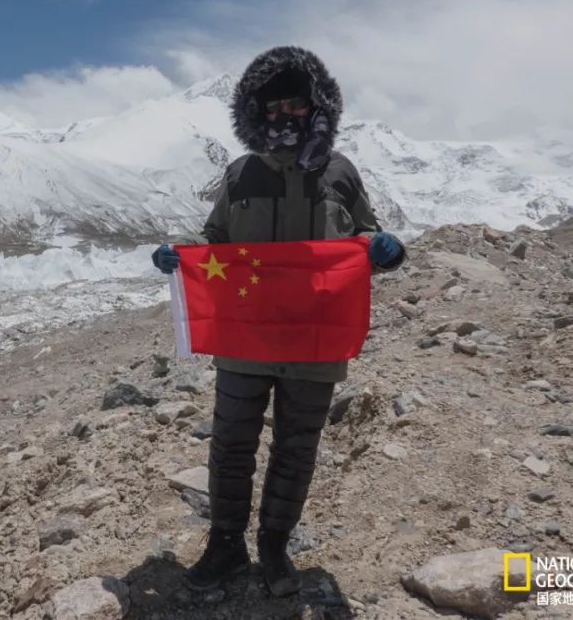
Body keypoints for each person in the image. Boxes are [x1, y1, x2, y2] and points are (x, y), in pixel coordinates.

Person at [151, 46, 406, 597]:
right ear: (254, 110)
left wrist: (384, 251)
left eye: (295, 104)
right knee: (231, 443)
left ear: (316, 107)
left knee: (297, 446)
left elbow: (364, 239)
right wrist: (182, 259)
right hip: (247, 337)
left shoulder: (340, 173)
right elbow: (216, 243)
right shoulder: (240, 174)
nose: (283, 115)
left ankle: (273, 544)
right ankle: (224, 544)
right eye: (272, 106)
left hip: (315, 340)